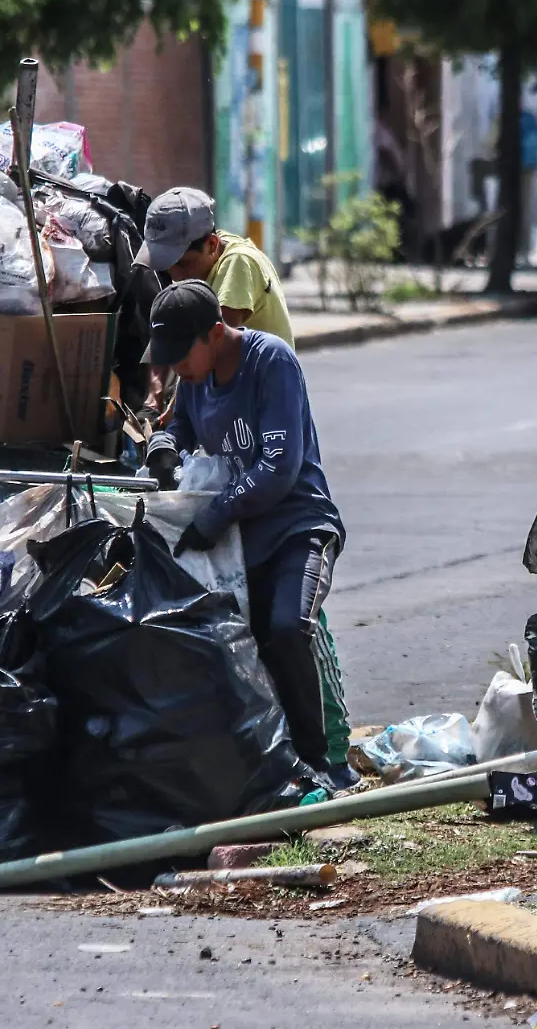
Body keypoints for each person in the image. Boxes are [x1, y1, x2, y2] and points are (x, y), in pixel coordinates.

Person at [141, 279, 350, 787]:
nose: (175, 369)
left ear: (215, 333)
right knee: (239, 646)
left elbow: (278, 467)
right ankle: (278, 767)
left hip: (298, 526)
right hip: (242, 539)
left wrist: (211, 518)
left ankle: (324, 764)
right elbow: (182, 428)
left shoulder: (270, 362)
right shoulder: (196, 378)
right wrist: (164, 445)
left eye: (180, 354)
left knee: (286, 629)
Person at [136, 186, 296, 349]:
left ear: (212, 244)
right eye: (166, 264)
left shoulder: (238, 262)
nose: (175, 275)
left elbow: (212, 344)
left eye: (183, 264)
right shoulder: (214, 249)